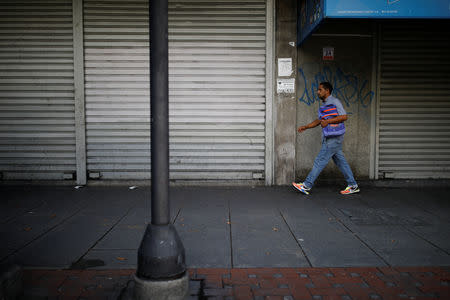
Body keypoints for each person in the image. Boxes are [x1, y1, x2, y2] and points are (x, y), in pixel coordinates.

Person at [292, 82, 359, 195]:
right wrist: (306, 127)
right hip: (332, 138)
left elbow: (344, 116)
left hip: (333, 138)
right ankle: (353, 185)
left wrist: (327, 121)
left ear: (327, 90)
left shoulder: (335, 102)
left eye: (320, 90)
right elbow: (319, 120)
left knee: (320, 161)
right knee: (341, 163)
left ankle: (306, 185)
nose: (318, 92)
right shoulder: (324, 105)